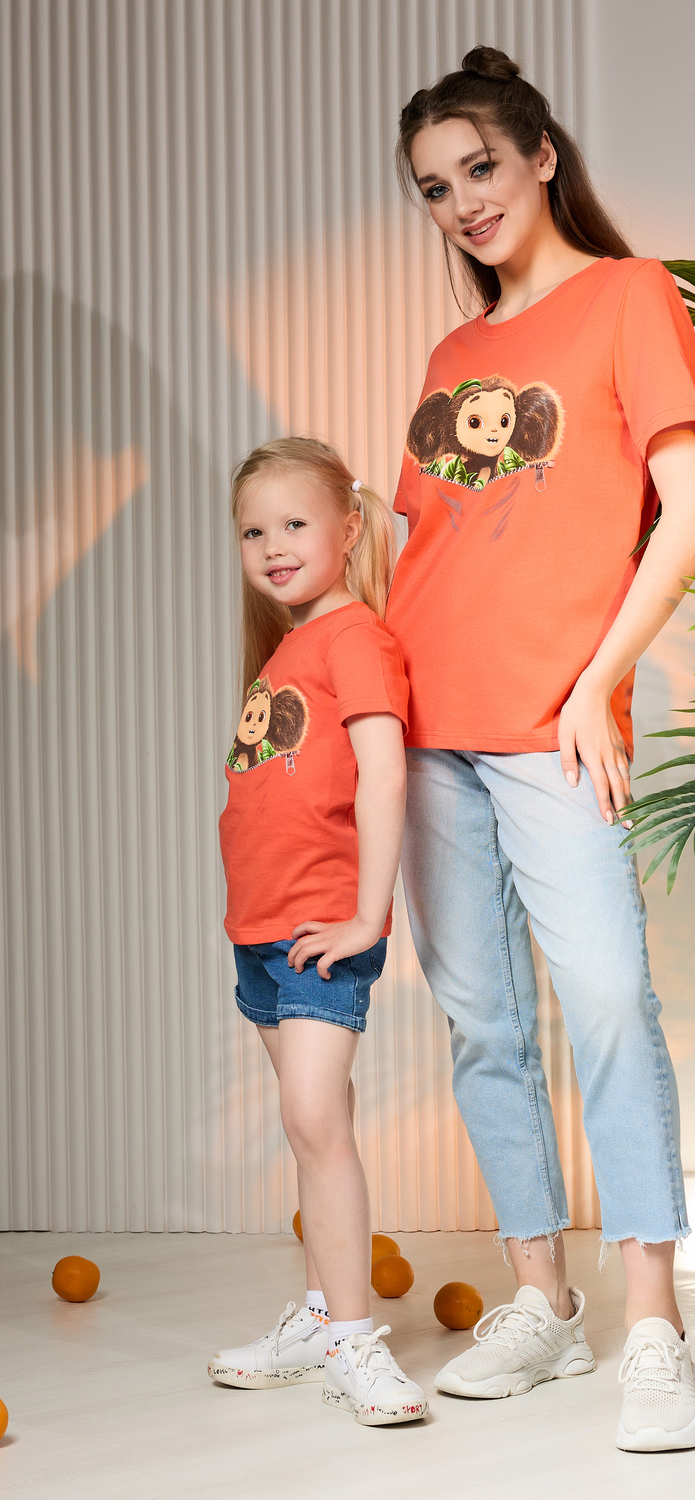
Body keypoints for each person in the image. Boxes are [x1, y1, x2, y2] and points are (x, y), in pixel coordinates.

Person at [389, 47, 695, 1452]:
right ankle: (543, 1300)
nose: (463, 202)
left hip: (552, 724)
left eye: (479, 167)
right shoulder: (453, 357)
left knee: (606, 1005)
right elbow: (430, 550)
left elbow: (691, 503)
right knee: (482, 1021)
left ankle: (653, 1325)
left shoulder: (630, 297)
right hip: (426, 729)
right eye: (433, 188)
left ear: (540, 155)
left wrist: (599, 682)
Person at [208, 437, 427, 1427]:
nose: (273, 545)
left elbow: (384, 772)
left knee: (313, 1121)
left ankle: (353, 1339)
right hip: (259, 931)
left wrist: (367, 914)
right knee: (315, 1120)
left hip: (319, 931)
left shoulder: (355, 638)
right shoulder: (285, 652)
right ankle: (317, 1315)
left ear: (348, 529)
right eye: (253, 531)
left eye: (294, 523)